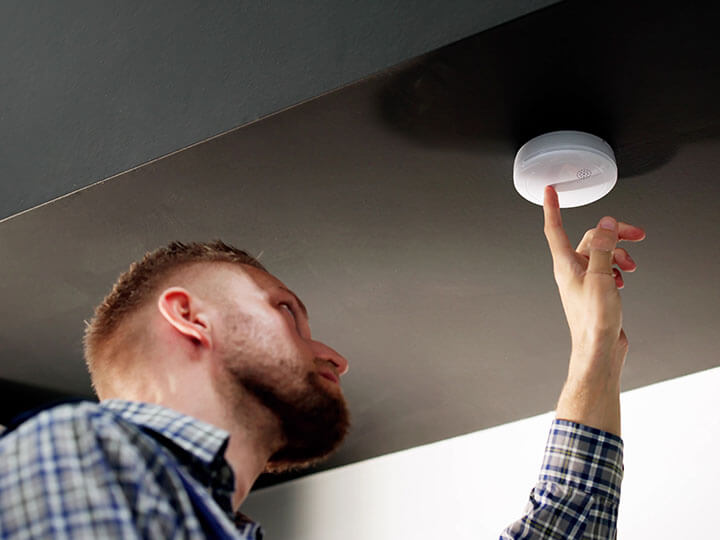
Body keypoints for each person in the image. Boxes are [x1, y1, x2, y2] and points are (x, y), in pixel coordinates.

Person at [0, 185, 645, 539]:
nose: (333, 355)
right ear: (190, 317)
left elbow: (564, 526)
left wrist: (594, 350)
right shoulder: (74, 453)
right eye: (286, 311)